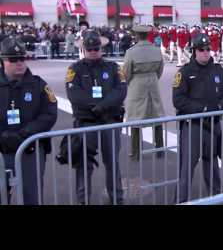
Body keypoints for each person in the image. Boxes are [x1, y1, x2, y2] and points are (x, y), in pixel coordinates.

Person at [63, 30, 127, 204]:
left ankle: (117, 198)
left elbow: (120, 90)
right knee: (84, 165)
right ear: (84, 49)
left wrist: (103, 106)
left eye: (96, 48)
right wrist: (94, 107)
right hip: (86, 122)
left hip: (109, 120)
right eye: (90, 49)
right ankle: (83, 201)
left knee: (112, 163)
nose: (93, 52)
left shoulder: (113, 68)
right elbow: (73, 92)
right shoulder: (74, 69)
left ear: (101, 48)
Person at [172, 33, 223, 203]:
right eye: (202, 49)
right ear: (194, 51)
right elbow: (178, 99)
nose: (206, 52)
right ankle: (180, 200)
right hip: (193, 127)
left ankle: (216, 198)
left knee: (212, 166)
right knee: (186, 168)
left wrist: (221, 106)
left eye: (208, 48)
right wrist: (203, 109)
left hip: (213, 125)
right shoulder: (185, 72)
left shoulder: (217, 70)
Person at [0, 36, 57, 204]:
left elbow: (49, 114)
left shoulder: (39, 85)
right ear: (3, 61)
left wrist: (25, 134)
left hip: (29, 149)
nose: (19, 63)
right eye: (14, 59)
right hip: (1, 150)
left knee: (31, 196)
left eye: (22, 59)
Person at [123, 25, 165, 161]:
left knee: (135, 117)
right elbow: (160, 69)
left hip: (137, 84)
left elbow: (126, 72)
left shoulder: (131, 52)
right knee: (156, 115)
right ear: (148, 35)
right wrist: (152, 77)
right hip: (153, 82)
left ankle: (135, 152)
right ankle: (159, 149)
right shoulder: (156, 50)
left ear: (135, 35)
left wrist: (131, 82)